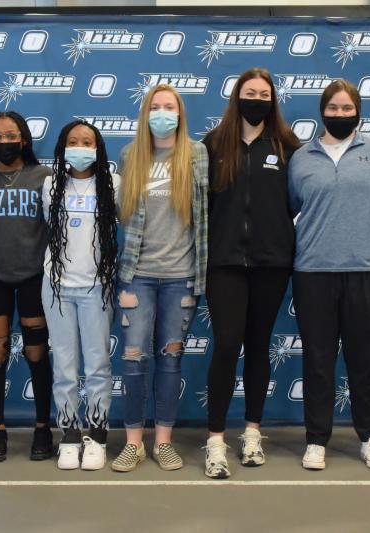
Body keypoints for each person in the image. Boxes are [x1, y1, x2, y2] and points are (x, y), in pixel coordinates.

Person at [288, 79, 370, 470]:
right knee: (317, 361)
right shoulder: (301, 157)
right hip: (313, 273)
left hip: (368, 271)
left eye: (347, 108)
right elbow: (288, 208)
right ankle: (316, 439)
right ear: (322, 111)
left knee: (364, 361)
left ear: (358, 111)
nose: (340, 114)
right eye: (333, 108)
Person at [201, 67, 300, 478]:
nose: (256, 99)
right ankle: (215, 441)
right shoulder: (212, 144)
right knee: (226, 345)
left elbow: (298, 204)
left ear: (272, 100)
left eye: (263, 93)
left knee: (258, 346)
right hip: (223, 263)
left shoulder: (288, 146)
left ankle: (253, 433)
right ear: (236, 97)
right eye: (249, 92)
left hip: (270, 264)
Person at [111, 84, 209, 472]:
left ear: (180, 113)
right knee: (134, 360)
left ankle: (163, 441)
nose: (163, 112)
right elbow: (122, 215)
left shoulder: (197, 153)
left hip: (181, 276)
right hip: (137, 275)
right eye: (156, 107)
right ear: (145, 113)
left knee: (171, 361)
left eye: (170, 107)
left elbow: (204, 216)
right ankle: (133, 442)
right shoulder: (131, 155)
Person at [0, 111, 53, 463]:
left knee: (36, 354)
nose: (4, 142)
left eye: (10, 135)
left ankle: (42, 427)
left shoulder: (44, 177)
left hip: (34, 276)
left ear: (24, 138)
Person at [41, 119, 119, 471]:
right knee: (65, 367)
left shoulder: (112, 184)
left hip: (96, 288)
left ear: (98, 148)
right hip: (56, 286)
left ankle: (98, 435)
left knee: (98, 364)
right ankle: (69, 435)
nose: (80, 147)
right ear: (62, 147)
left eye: (87, 141)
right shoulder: (51, 184)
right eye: (73, 140)